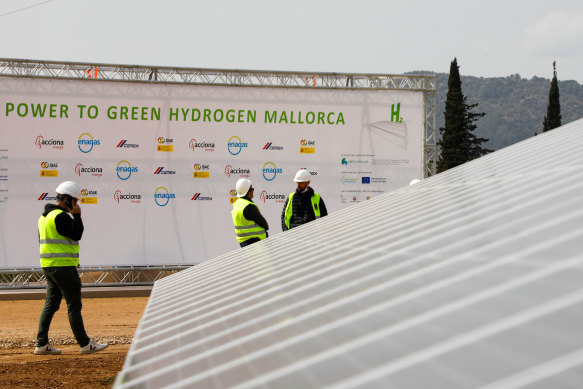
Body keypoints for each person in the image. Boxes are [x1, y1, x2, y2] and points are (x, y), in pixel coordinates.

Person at [34, 181, 108, 355]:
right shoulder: (61, 216)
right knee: (73, 305)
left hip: (49, 266)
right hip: (63, 268)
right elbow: (77, 234)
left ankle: (41, 344)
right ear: (67, 199)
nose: (76, 205)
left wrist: (70, 258)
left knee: (51, 304)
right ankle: (85, 344)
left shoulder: (43, 217)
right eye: (75, 201)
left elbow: (54, 243)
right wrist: (78, 216)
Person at [231, 178, 269, 247]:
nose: (253, 191)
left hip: (243, 243)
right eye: (252, 189)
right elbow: (264, 225)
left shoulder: (237, 205)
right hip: (256, 242)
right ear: (248, 192)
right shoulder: (249, 206)